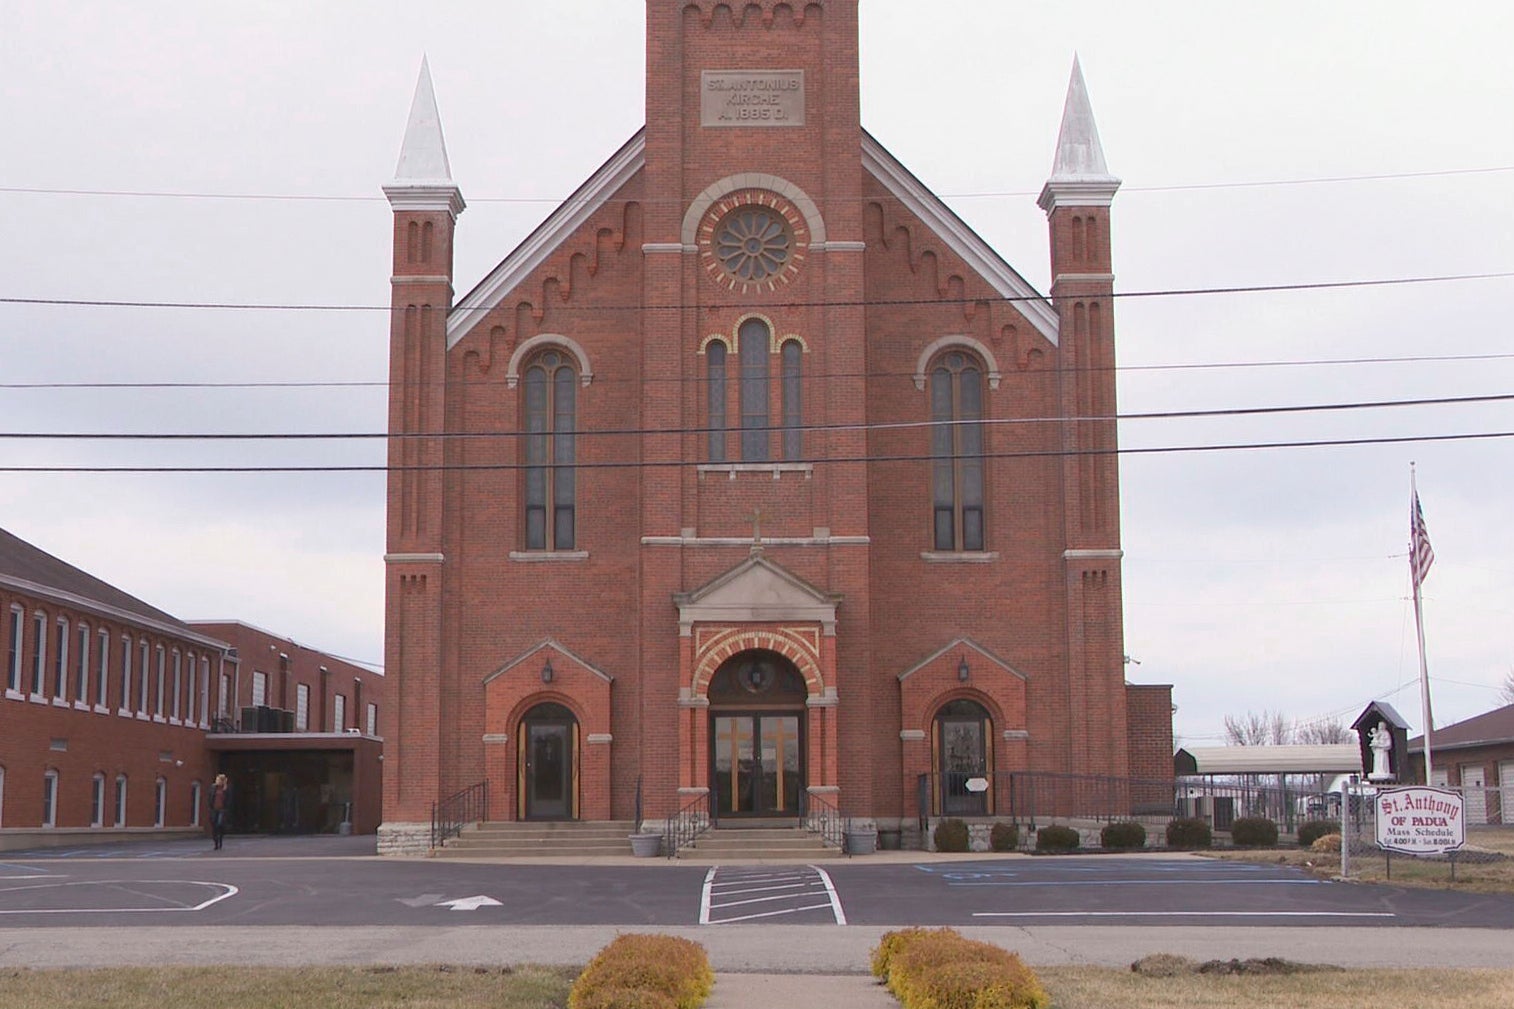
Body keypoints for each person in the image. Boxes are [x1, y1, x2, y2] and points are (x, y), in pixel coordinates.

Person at [209, 773, 231, 850]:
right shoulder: (213, 788)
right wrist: (210, 807)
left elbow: (229, 800)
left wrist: (226, 808)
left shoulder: (226, 789)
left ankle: (220, 839)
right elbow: (210, 797)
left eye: (218, 780)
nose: (217, 781)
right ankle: (216, 843)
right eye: (216, 779)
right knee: (214, 826)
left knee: (220, 824)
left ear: (222, 781)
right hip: (214, 809)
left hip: (222, 810)